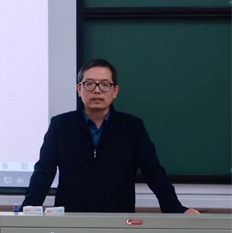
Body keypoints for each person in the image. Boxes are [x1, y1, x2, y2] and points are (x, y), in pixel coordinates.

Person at [21, 59, 200, 213]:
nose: (97, 90)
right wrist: (27, 209)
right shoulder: (60, 125)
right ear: (79, 89)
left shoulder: (132, 127)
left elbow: (153, 173)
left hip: (118, 221)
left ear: (115, 91)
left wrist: (175, 208)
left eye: (105, 84)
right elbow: (44, 172)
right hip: (71, 221)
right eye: (89, 84)